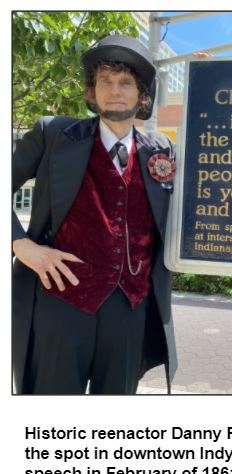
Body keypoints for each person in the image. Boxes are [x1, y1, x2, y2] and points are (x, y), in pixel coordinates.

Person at [12, 35, 177, 394]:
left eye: (125, 83)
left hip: (129, 309)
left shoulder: (161, 149)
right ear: (92, 91)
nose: (114, 90)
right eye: (105, 81)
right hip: (60, 301)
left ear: (142, 95)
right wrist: (19, 243)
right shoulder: (53, 134)